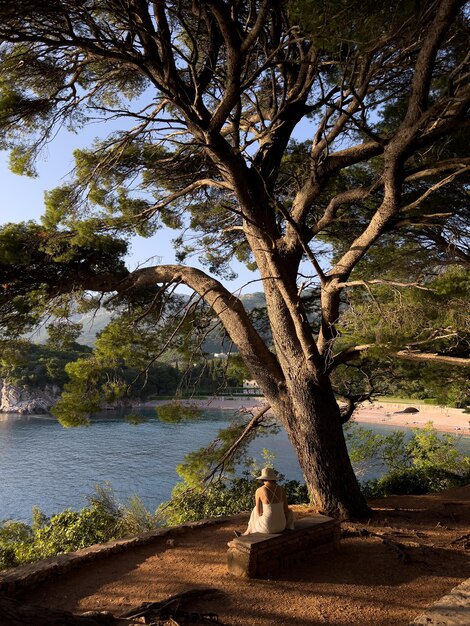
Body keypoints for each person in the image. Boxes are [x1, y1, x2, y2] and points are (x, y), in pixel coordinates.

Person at [241, 467, 294, 535]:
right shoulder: (281, 489)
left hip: (267, 527)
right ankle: (247, 532)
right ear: (274, 478)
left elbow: (259, 512)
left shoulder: (259, 490)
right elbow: (286, 510)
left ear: (263, 479)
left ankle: (247, 532)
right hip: (281, 526)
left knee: (255, 509)